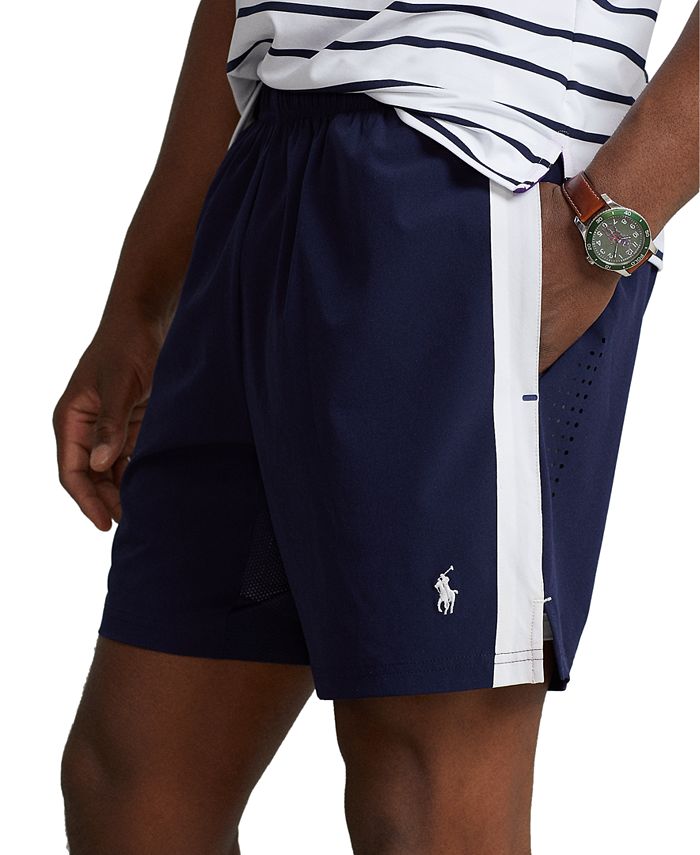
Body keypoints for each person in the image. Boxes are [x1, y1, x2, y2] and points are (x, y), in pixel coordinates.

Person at [54, 0, 698, 852]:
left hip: (470, 167)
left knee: (422, 791)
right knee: (133, 781)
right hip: (269, 155)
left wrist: (607, 224)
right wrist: (138, 302)